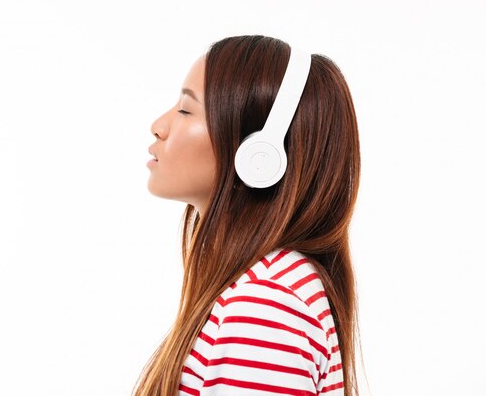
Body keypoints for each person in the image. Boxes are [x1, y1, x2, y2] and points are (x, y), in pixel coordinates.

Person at [134, 35, 361, 396]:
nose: (159, 126)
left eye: (186, 110)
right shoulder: (266, 286)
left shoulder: (267, 305)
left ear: (260, 154)